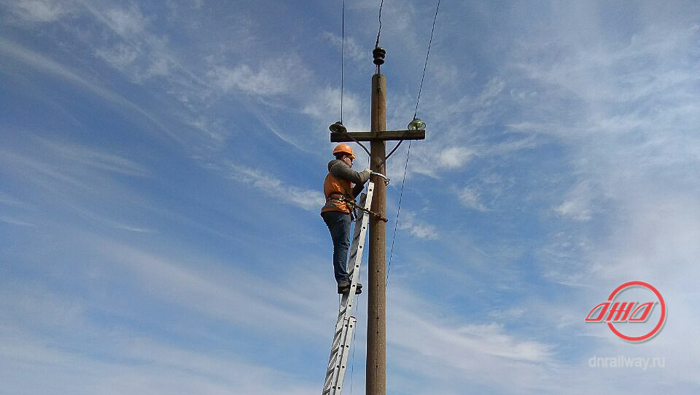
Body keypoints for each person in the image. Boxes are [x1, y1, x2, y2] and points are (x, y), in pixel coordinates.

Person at [321, 144, 372, 294]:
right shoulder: (338, 166)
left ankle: (344, 280)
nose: (352, 162)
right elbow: (358, 177)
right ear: (344, 157)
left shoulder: (338, 174)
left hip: (335, 208)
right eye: (351, 159)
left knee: (341, 245)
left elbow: (350, 193)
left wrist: (361, 183)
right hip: (338, 209)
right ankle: (343, 280)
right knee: (342, 245)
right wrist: (367, 173)